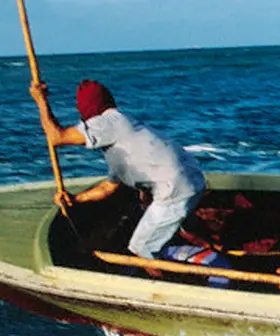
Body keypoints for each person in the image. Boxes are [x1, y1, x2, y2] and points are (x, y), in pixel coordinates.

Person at [30, 80, 206, 277]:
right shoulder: (121, 137)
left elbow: (56, 137)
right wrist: (75, 199)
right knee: (155, 221)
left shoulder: (107, 121)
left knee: (141, 246)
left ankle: (170, 288)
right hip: (192, 179)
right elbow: (108, 188)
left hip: (175, 189)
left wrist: (41, 101)